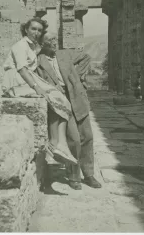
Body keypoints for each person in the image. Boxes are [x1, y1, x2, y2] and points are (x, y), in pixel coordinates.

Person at [1, 17, 77, 165]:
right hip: (17, 80)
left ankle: (60, 144)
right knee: (54, 98)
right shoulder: (20, 45)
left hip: (28, 78)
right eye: (33, 29)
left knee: (63, 101)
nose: (36, 32)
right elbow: (22, 70)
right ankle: (56, 143)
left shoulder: (32, 46)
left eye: (39, 30)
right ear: (26, 29)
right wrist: (37, 88)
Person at [36, 33, 102, 190]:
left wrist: (76, 78)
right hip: (61, 101)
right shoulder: (39, 61)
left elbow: (85, 57)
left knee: (87, 136)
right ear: (42, 44)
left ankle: (89, 174)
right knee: (74, 139)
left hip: (77, 97)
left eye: (54, 40)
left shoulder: (65, 53)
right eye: (49, 41)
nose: (54, 43)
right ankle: (73, 176)